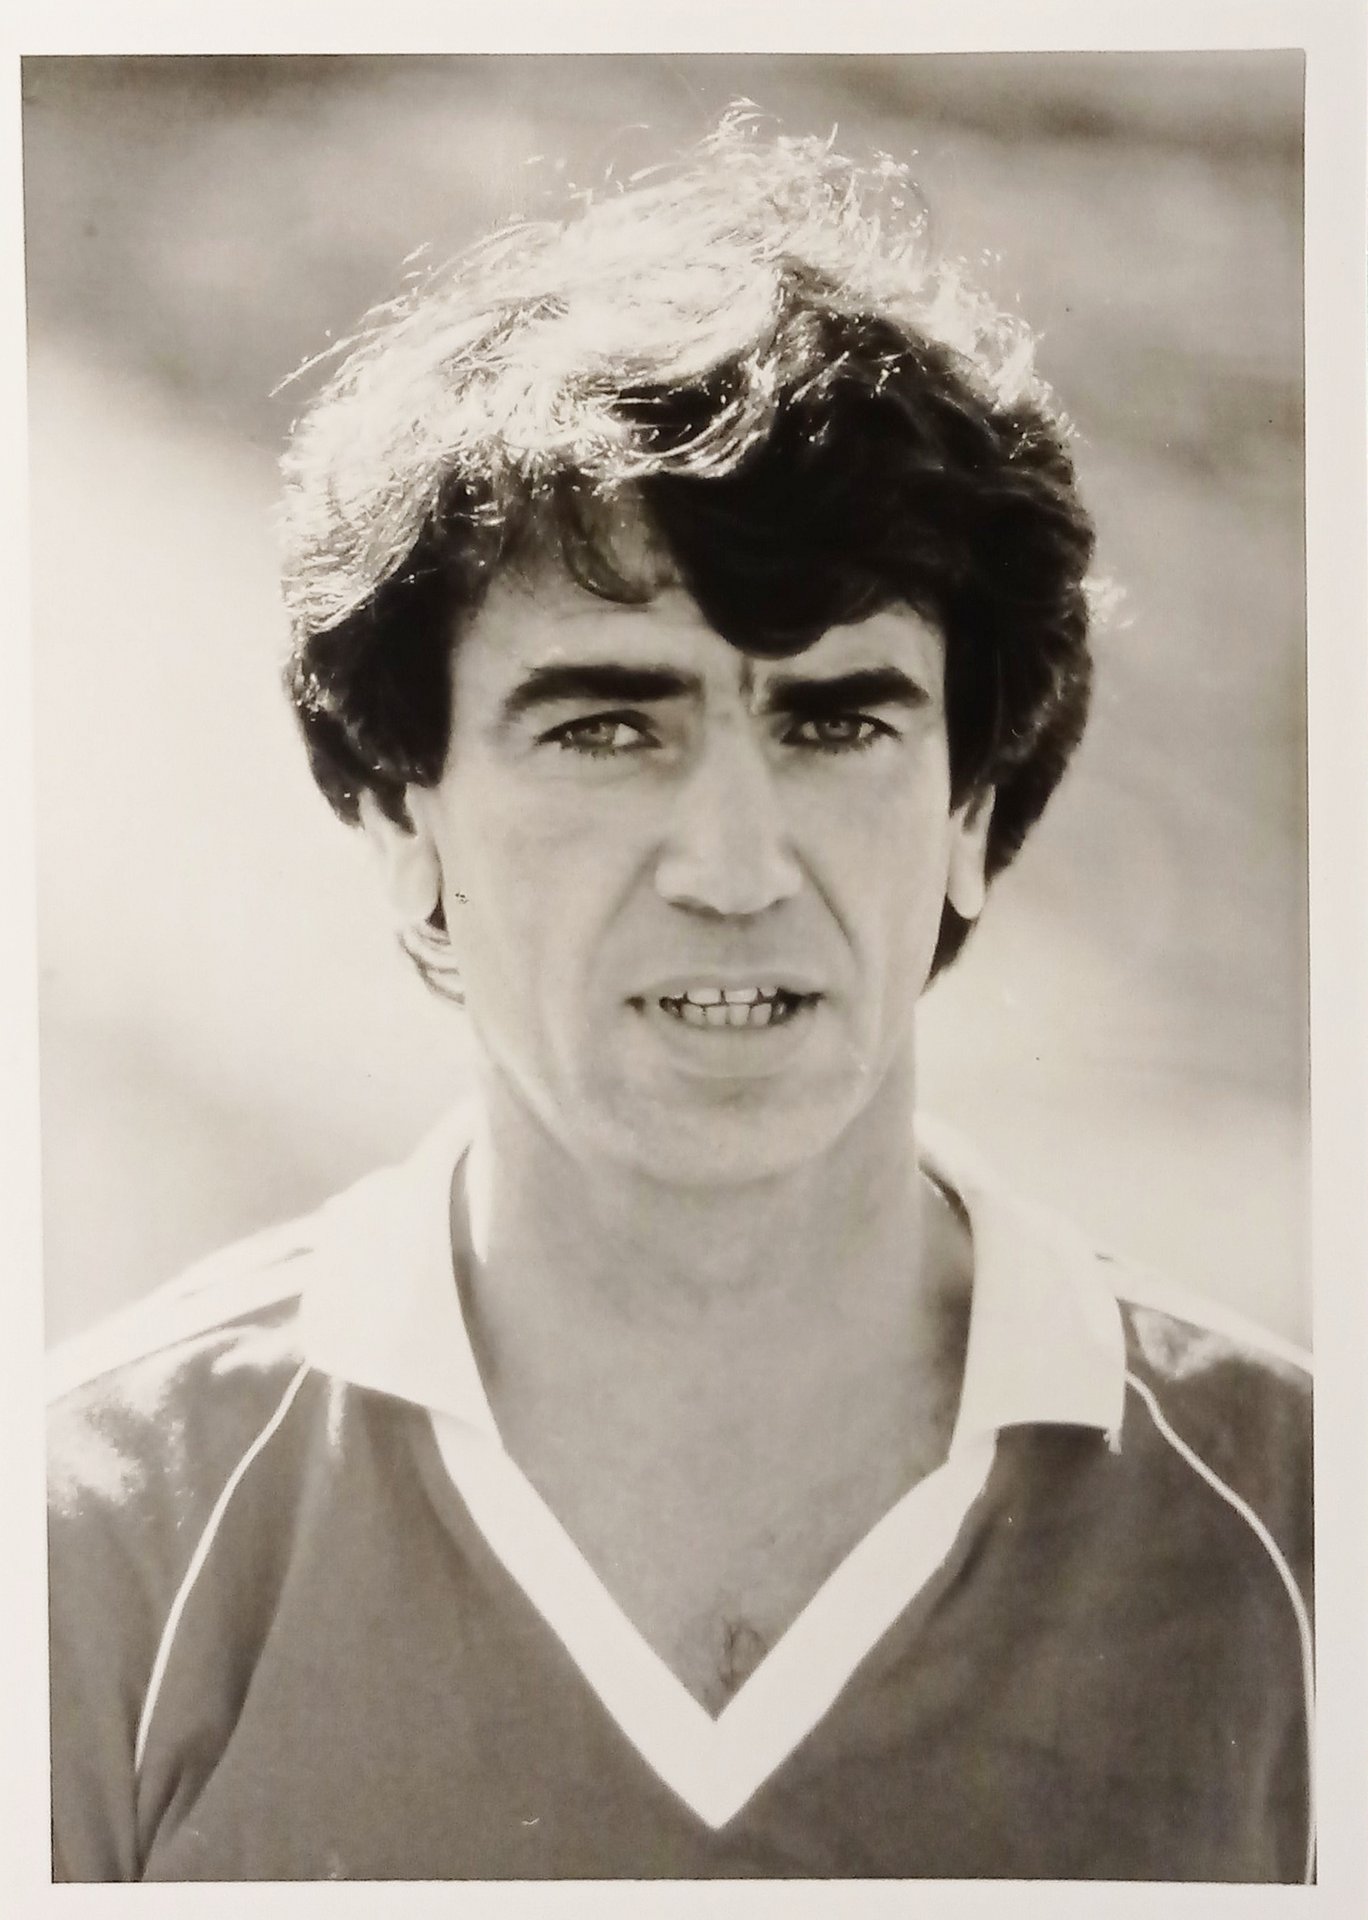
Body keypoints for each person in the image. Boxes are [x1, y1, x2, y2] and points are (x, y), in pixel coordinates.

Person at [47, 118, 1313, 1883]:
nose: (733, 866)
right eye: (606, 728)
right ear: (407, 822)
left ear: (968, 811)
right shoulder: (99, 1537)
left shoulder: (1299, 1534)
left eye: (836, 721)